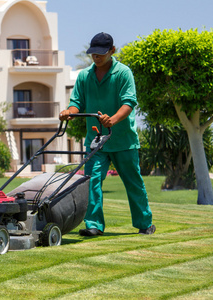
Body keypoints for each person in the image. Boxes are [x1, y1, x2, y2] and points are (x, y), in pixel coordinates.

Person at [59, 32, 155, 236]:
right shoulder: (84, 76)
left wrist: (113, 120)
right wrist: (69, 112)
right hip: (96, 141)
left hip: (123, 140)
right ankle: (94, 225)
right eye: (93, 53)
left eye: (101, 53)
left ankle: (144, 223)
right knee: (92, 181)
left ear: (112, 51)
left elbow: (129, 102)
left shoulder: (123, 73)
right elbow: (76, 102)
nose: (97, 57)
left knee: (133, 182)